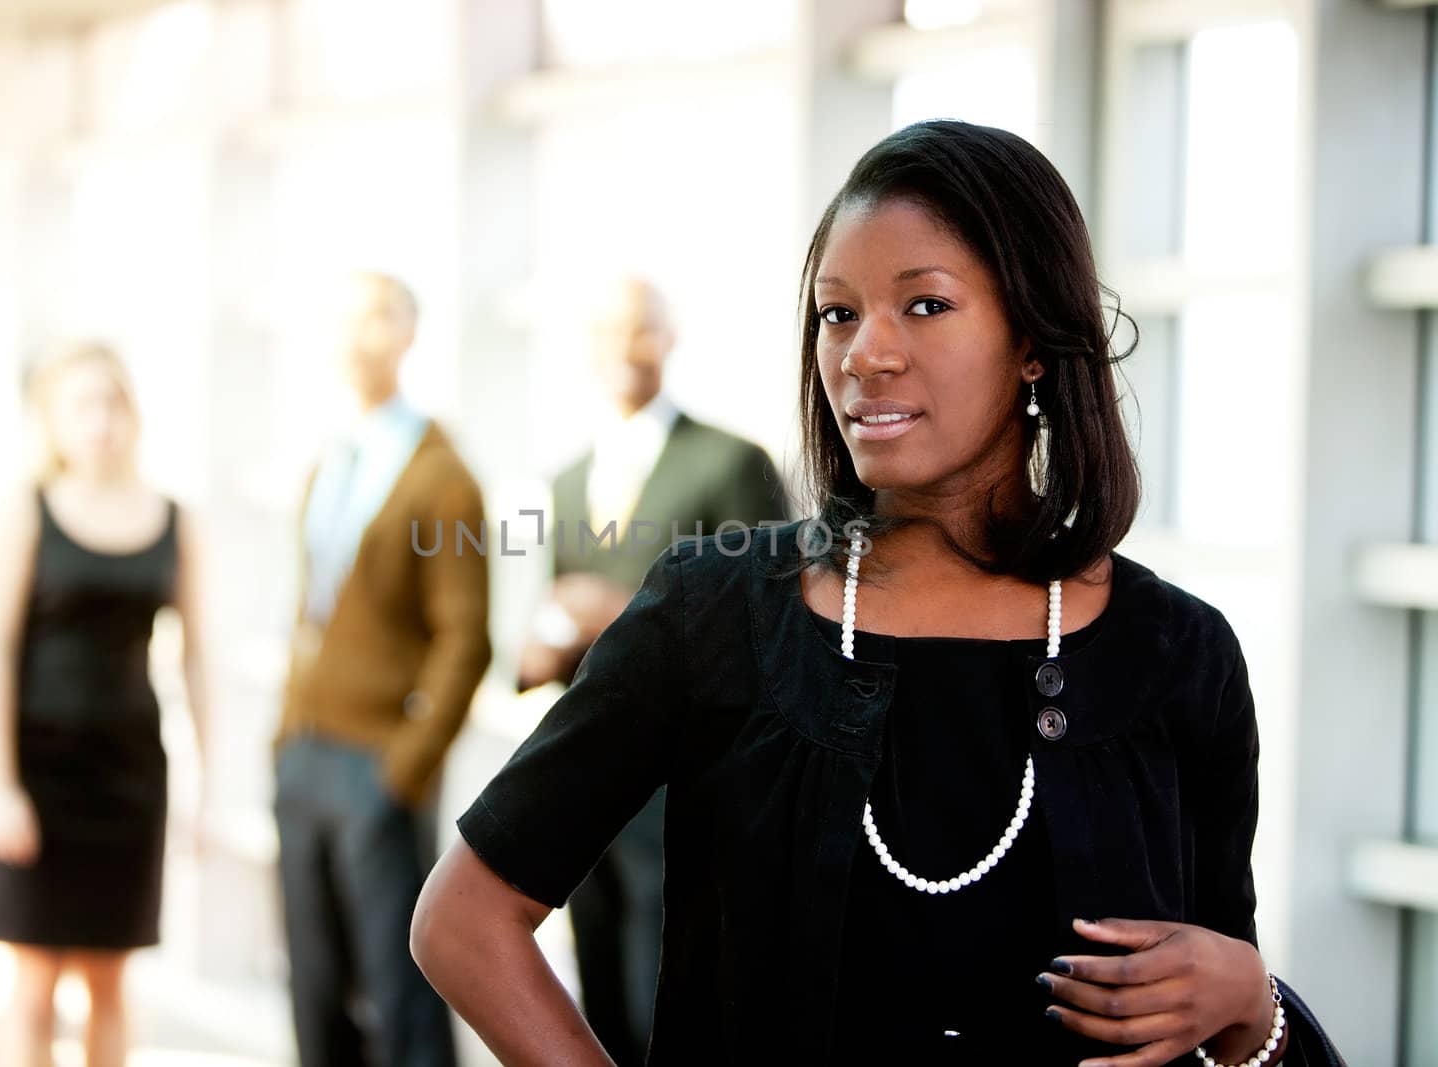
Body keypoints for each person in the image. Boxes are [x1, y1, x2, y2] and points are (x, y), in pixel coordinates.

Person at [410, 122, 1344, 1065]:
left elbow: (1228, 1016)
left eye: (926, 305)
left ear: (1032, 340)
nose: (864, 354)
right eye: (837, 313)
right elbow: (464, 919)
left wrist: (1249, 1002)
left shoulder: (1178, 653)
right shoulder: (719, 609)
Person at [516, 275, 787, 1064]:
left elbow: (766, 620)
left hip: (685, 791)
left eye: (643, 329)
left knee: (667, 1000)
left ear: (669, 339)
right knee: (597, 999)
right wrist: (542, 650)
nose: (628, 347)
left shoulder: (732, 462)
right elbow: (562, 611)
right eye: (611, 332)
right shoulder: (567, 479)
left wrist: (616, 610)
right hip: (590, 783)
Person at [0, 341, 210, 1067]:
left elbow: (199, 656)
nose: (100, 420)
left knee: (110, 976)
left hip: (131, 772)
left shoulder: (174, 519)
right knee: (35, 978)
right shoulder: (25, 512)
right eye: (82, 405)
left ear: (132, 413)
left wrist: (205, 781)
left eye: (113, 402)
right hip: (37, 772)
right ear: (53, 421)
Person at [275, 271, 491, 1067]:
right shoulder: (331, 459)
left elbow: (466, 639)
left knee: (400, 998)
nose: (354, 337)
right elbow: (312, 610)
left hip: (378, 767)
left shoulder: (444, 477)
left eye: (373, 319)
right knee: (313, 984)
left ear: (407, 335)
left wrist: (402, 770)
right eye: (343, 320)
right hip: (305, 755)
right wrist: (283, 737)